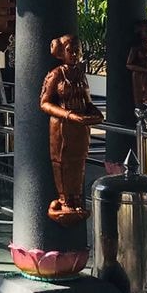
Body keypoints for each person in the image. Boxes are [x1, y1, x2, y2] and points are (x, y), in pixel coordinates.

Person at [40, 34, 103, 224]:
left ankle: (76, 197)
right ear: (62, 53)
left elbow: (88, 101)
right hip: (62, 126)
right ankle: (64, 198)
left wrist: (94, 113)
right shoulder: (56, 74)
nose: (75, 54)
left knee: (79, 161)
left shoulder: (80, 74)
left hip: (80, 126)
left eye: (77, 50)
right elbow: (44, 103)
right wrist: (68, 115)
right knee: (62, 161)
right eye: (70, 51)